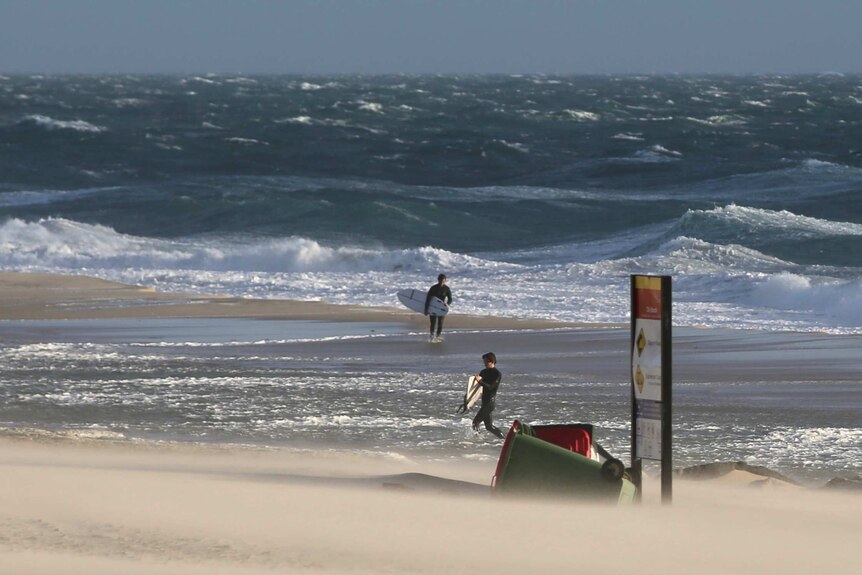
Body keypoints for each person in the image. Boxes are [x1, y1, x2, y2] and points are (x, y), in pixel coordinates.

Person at [472, 352, 504, 439]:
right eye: (484, 362)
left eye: (486, 362)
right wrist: (472, 400)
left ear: (492, 361)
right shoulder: (483, 372)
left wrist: (480, 381)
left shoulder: (497, 374)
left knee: (475, 422)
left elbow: (491, 387)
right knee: (489, 427)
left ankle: (477, 440)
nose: (485, 364)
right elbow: (478, 388)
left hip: (490, 404)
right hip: (484, 403)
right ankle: (504, 440)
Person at [425, 273, 452, 341]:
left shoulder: (446, 289)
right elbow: (428, 299)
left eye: (443, 281)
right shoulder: (433, 288)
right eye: (440, 281)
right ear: (438, 280)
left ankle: (438, 336)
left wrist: (447, 304)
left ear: (445, 280)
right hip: (433, 307)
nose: (441, 282)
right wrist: (426, 309)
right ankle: (431, 336)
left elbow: (450, 298)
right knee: (433, 323)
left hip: (441, 308)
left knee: (440, 323)